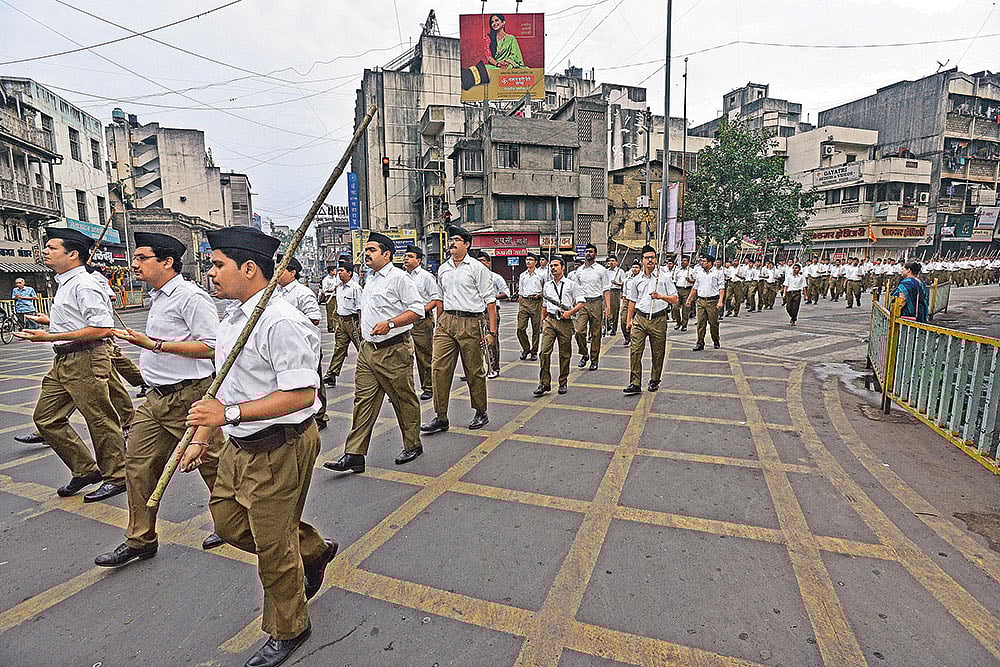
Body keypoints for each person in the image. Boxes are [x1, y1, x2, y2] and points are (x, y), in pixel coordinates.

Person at [186, 226, 335, 667]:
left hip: (279, 445)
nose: (210, 273)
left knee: (273, 547)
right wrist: (202, 437)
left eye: (217, 265)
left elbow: (302, 394)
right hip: (239, 444)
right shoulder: (235, 317)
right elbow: (225, 386)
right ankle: (313, 550)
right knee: (229, 522)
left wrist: (227, 416)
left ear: (249, 268)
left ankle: (289, 627)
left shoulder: (280, 321)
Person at [94, 232, 224, 568]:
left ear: (167, 262)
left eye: (142, 258)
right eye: (135, 258)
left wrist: (155, 345)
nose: (134, 264)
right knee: (137, 466)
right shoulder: (159, 297)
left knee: (214, 465)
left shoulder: (190, 297)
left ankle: (231, 524)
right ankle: (141, 539)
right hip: (155, 400)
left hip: (189, 396)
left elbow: (212, 347)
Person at [16, 228, 127, 502]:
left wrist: (49, 336)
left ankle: (117, 476)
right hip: (64, 359)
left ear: (73, 254)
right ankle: (85, 470)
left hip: (86, 358)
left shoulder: (84, 284)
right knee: (46, 418)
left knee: (99, 419)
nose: (45, 251)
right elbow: (76, 320)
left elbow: (102, 328)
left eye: (52, 248)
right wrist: (49, 323)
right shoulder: (65, 282)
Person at [324, 232, 425, 474]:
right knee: (363, 401)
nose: (366, 253)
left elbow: (417, 310)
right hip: (368, 350)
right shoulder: (370, 278)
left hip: (393, 350)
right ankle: (354, 454)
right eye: (366, 250)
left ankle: (413, 444)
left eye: (372, 250)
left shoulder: (399, 278)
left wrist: (390, 323)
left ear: (386, 254)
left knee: (403, 399)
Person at [421, 225, 497, 435]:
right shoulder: (443, 269)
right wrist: (439, 323)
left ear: (467, 244)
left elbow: (490, 302)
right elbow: (440, 298)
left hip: (470, 322)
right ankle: (441, 416)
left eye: (456, 240)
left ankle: (480, 411)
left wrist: (492, 332)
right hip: (446, 322)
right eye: (450, 240)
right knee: (439, 369)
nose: (452, 243)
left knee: (474, 370)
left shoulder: (477, 268)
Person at [277, 255, 328, 431]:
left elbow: (315, 318)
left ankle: (320, 416)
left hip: (305, 346)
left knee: (313, 382)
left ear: (292, 273)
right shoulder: (277, 292)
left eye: (280, 269)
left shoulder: (302, 292)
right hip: (285, 347)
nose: (276, 273)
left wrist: (291, 323)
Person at [623, 245, 678, 395]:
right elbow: (632, 301)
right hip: (640, 319)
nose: (650, 260)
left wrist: (661, 296)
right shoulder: (636, 280)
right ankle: (635, 383)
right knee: (635, 351)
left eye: (653, 257)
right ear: (642, 260)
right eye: (647, 258)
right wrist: (629, 320)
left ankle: (654, 379)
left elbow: (674, 299)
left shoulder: (663, 277)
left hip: (658, 318)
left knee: (658, 352)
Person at [534, 257, 584, 396]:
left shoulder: (571, 284)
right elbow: (544, 305)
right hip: (550, 320)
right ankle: (544, 383)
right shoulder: (547, 285)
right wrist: (543, 321)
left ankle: (563, 382)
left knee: (564, 353)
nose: (553, 268)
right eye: (551, 266)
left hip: (565, 322)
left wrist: (570, 312)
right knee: (544, 352)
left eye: (556, 265)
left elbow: (581, 302)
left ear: (563, 267)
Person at [403, 244, 440, 401]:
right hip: (404, 321)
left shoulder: (426, 277)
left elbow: (435, 299)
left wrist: (420, 311)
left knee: (424, 355)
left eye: (410, 256)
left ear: (418, 260)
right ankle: (405, 389)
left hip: (421, 321)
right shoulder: (402, 276)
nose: (406, 259)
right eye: (406, 256)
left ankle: (429, 387)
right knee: (403, 355)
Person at [570, 243, 611, 370]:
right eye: (587, 251)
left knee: (596, 333)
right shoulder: (579, 271)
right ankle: (584, 354)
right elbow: (576, 289)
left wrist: (608, 307)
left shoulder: (601, 270)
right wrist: (574, 304)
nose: (588, 253)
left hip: (597, 302)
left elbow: (606, 289)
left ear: (595, 254)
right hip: (582, 303)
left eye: (591, 251)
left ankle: (594, 359)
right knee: (579, 331)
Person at [323, 258, 361, 388]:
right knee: (339, 348)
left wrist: (360, 325)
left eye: (342, 271)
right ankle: (332, 374)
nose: (339, 273)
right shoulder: (339, 288)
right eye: (338, 271)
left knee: (362, 349)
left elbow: (360, 308)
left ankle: (372, 372)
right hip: (341, 322)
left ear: (349, 273)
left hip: (353, 322)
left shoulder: (355, 288)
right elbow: (338, 306)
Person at [477, 251, 508, 378]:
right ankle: (477, 369)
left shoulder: (495, 277)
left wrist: (492, 298)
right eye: (478, 261)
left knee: (491, 340)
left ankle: (494, 367)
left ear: (489, 263)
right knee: (474, 341)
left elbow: (506, 293)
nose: (481, 263)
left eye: (483, 261)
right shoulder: (473, 276)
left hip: (491, 311)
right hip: (476, 312)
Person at [685, 255, 725, 351]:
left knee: (713, 323)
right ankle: (700, 343)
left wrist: (720, 301)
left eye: (704, 261)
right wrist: (689, 299)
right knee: (700, 323)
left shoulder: (718, 273)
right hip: (701, 301)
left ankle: (716, 340)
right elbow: (695, 287)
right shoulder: (699, 273)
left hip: (712, 301)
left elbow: (721, 288)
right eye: (702, 261)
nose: (702, 263)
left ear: (710, 263)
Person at [516, 252, 544, 361]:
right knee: (520, 328)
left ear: (535, 262)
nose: (528, 262)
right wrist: (520, 303)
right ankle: (526, 348)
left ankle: (534, 351)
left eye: (531, 260)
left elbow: (546, 288)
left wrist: (540, 294)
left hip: (536, 302)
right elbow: (520, 292)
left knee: (535, 329)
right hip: (524, 302)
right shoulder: (523, 275)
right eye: (527, 260)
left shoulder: (541, 274)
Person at [671, 255, 694, 330]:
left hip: (687, 289)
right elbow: (674, 280)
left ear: (688, 262)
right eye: (682, 261)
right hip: (678, 289)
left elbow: (696, 281)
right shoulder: (677, 270)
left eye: (685, 261)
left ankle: (684, 325)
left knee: (685, 309)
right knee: (675, 307)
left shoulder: (691, 271)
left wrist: (690, 281)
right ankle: (678, 322)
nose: (683, 262)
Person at [621, 259, 641, 344]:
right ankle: (627, 337)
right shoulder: (627, 279)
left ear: (640, 269)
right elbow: (624, 292)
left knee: (637, 322)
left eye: (636, 267)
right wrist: (624, 302)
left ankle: (635, 338)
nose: (634, 269)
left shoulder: (641, 279)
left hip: (638, 302)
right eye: (633, 267)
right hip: (628, 301)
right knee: (623, 320)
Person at [605, 255, 626, 335]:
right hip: (607, 291)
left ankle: (614, 328)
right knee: (606, 309)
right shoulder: (606, 271)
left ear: (616, 262)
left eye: (613, 261)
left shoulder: (620, 271)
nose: (611, 262)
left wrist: (616, 283)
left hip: (615, 291)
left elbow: (623, 283)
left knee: (615, 310)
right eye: (610, 261)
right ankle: (607, 325)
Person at [320, 265, 338, 333]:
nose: (336, 271)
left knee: (336, 312)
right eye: (334, 270)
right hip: (330, 297)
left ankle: (335, 326)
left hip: (336, 296)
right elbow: (325, 290)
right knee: (330, 312)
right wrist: (333, 289)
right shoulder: (326, 279)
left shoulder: (335, 278)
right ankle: (330, 326)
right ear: (331, 271)